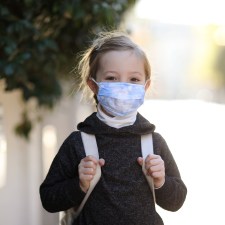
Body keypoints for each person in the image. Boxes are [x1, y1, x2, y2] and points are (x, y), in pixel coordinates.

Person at [39, 31, 187, 225]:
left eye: (134, 79)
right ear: (93, 85)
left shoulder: (154, 142)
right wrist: (79, 184)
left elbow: (176, 201)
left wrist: (161, 181)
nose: (123, 86)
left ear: (146, 86)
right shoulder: (78, 143)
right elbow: (49, 199)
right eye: (111, 78)